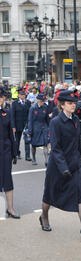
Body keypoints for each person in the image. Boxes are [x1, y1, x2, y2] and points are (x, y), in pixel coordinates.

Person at [40, 90, 81, 243]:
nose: (73, 105)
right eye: (70, 103)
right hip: (58, 166)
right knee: (50, 194)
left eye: (74, 103)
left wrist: (78, 162)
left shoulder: (76, 119)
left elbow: (77, 145)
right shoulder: (55, 122)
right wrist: (63, 168)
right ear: (62, 105)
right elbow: (55, 148)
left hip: (75, 165)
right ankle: (44, 216)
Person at [0, 87, 19, 219]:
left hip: (5, 151)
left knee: (7, 179)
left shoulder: (6, 112)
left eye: (1, 97)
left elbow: (11, 135)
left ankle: (10, 209)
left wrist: (14, 152)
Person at [27, 94, 50, 166]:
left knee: (45, 144)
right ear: (38, 101)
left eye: (44, 101)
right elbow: (30, 120)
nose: (43, 102)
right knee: (34, 145)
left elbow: (47, 119)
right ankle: (33, 158)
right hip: (35, 129)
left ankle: (46, 160)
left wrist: (49, 128)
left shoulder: (45, 107)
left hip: (44, 128)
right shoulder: (33, 108)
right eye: (42, 101)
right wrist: (29, 131)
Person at [10, 88, 32, 161]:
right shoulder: (14, 103)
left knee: (27, 140)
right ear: (19, 95)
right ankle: (16, 154)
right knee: (17, 140)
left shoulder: (28, 103)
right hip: (17, 124)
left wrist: (30, 125)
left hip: (26, 124)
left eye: (24, 95)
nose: (23, 96)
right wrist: (13, 126)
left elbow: (30, 114)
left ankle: (27, 155)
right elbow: (12, 116)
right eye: (22, 95)